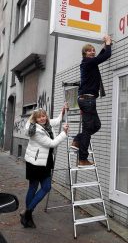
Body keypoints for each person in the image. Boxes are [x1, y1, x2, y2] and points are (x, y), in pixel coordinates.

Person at [20, 105, 69, 228]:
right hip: (36, 163)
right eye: (40, 117)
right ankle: (28, 213)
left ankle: (27, 213)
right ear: (35, 119)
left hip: (43, 161)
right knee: (42, 187)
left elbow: (56, 121)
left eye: (44, 116)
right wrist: (64, 133)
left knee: (38, 187)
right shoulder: (36, 131)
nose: (42, 118)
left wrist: (62, 112)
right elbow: (52, 144)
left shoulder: (45, 125)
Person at [71, 35, 112, 167]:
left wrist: (105, 46)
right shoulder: (87, 62)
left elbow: (99, 57)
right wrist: (108, 43)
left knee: (96, 126)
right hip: (87, 100)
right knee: (88, 130)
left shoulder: (90, 62)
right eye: (89, 50)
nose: (92, 52)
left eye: (93, 50)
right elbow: (105, 56)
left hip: (88, 99)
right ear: (84, 53)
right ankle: (82, 159)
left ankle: (77, 140)